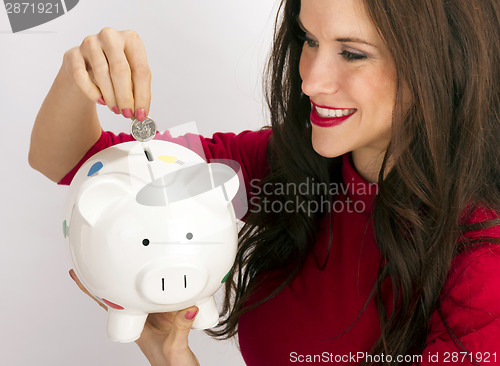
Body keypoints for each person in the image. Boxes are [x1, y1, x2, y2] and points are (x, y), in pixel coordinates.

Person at [29, 0, 500, 364]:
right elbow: (80, 164)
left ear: (442, 64)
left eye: (352, 53)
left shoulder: (482, 264)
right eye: (308, 39)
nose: (311, 80)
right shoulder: (289, 166)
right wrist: (81, 75)